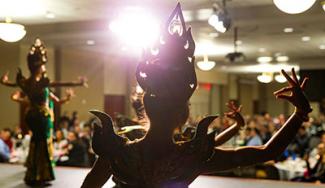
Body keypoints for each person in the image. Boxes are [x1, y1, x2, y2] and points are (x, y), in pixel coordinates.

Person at [82, 4, 312, 187]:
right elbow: (267, 152)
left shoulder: (117, 153)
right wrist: (299, 114)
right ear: (183, 115)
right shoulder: (191, 157)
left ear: (146, 105)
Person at [0, 38, 87, 186]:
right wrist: (77, 83)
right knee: (42, 144)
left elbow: (12, 84)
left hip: (32, 115)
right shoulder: (41, 83)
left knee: (36, 142)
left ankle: (34, 174)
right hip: (42, 116)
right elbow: (59, 83)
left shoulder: (26, 82)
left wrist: (4, 82)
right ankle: (40, 175)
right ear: (39, 66)